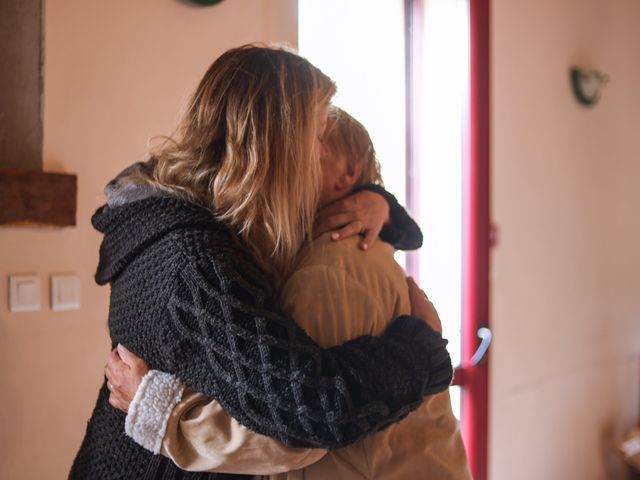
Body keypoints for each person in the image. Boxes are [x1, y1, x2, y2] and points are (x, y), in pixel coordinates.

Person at [70, 45, 453, 480]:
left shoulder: (185, 222)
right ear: (276, 146)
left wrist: (375, 201)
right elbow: (312, 410)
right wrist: (424, 349)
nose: (323, 153)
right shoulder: (194, 263)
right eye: (319, 136)